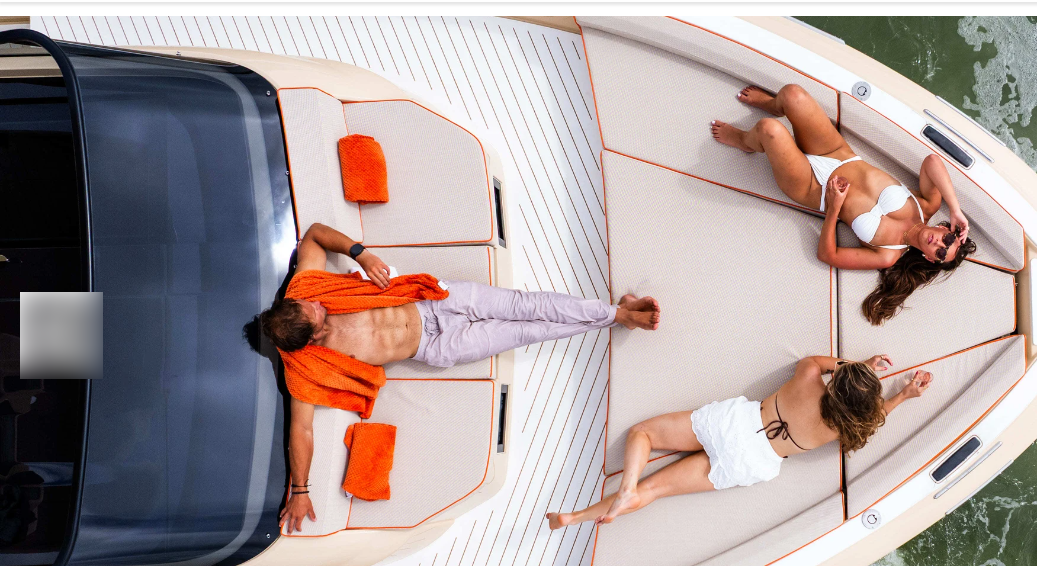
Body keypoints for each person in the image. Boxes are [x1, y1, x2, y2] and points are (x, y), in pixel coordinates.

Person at [245, 223, 661, 533]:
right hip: (436, 348)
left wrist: (361, 254)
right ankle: (618, 317)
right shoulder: (305, 369)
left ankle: (616, 312)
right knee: (527, 330)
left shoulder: (305, 289)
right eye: (314, 313)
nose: (317, 303)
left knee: (523, 305)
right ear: (310, 339)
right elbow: (300, 431)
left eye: (307, 303)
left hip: (432, 301)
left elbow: (315, 235)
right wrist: (299, 491)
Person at [546, 354, 932, 529]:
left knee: (643, 434)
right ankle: (579, 517)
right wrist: (902, 396)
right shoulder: (843, 429)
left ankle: (624, 485)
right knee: (656, 489)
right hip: (754, 462)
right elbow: (874, 416)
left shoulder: (809, 377)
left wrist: (857, 367)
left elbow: (824, 362)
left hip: (736, 424)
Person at [711, 84, 979, 324]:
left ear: (929, 258)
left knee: (769, 130)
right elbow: (932, 161)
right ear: (946, 229)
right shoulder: (927, 205)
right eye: (948, 240)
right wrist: (955, 208)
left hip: (812, 188)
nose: (939, 244)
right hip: (838, 154)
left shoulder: (888, 254)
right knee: (794, 95)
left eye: (941, 253)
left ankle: (745, 142)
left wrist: (834, 207)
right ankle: (772, 104)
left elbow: (828, 255)